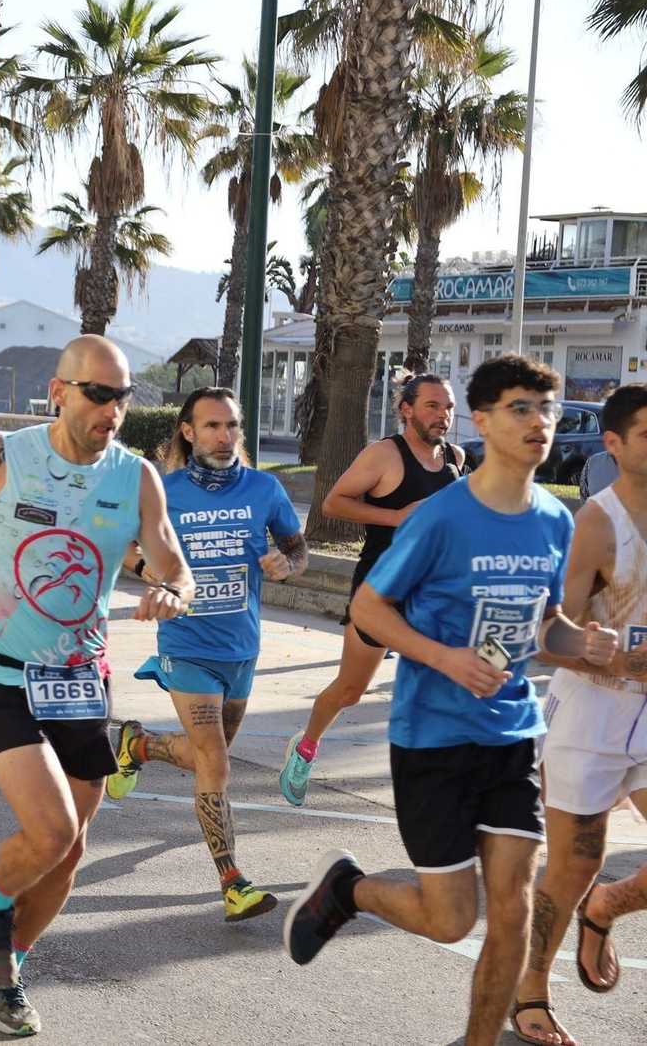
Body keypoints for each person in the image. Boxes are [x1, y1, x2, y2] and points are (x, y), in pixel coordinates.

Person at [284, 354, 619, 1046]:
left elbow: (546, 621)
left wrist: (579, 641)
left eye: (547, 410)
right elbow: (371, 607)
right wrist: (443, 657)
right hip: (432, 736)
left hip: (512, 734)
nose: (539, 422)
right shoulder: (439, 517)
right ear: (486, 420)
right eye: (521, 408)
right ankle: (348, 888)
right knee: (450, 918)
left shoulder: (557, 521)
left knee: (514, 906)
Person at [0, 336, 192, 1035]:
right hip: (5, 676)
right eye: (99, 393)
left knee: (70, 852)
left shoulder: (135, 478)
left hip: (80, 680)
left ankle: (4, 966)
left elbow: (171, 562)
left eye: (124, 396)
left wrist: (171, 590)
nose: (114, 408)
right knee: (52, 830)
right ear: (59, 392)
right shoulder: (4, 457)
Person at [103, 387, 308, 922]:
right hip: (185, 643)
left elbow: (297, 548)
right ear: (188, 432)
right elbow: (125, 548)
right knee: (216, 760)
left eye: (232, 426)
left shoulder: (265, 489)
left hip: (241, 647)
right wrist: (158, 579)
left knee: (204, 758)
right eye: (212, 426)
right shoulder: (163, 490)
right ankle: (232, 880)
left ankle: (138, 745)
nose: (224, 437)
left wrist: (288, 566)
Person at [511, 383, 647, 1046]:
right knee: (572, 865)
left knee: (593, 878)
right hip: (591, 715)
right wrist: (598, 653)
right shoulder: (596, 522)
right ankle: (530, 991)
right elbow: (548, 635)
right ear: (615, 445)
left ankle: (609, 903)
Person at [278, 374, 465, 806]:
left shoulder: (456, 459)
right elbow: (334, 503)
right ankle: (305, 747)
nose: (444, 416)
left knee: (447, 679)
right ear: (407, 409)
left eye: (449, 407)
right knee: (351, 690)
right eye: (433, 406)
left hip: (433, 595)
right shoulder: (384, 455)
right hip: (380, 592)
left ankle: (443, 776)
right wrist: (399, 515)